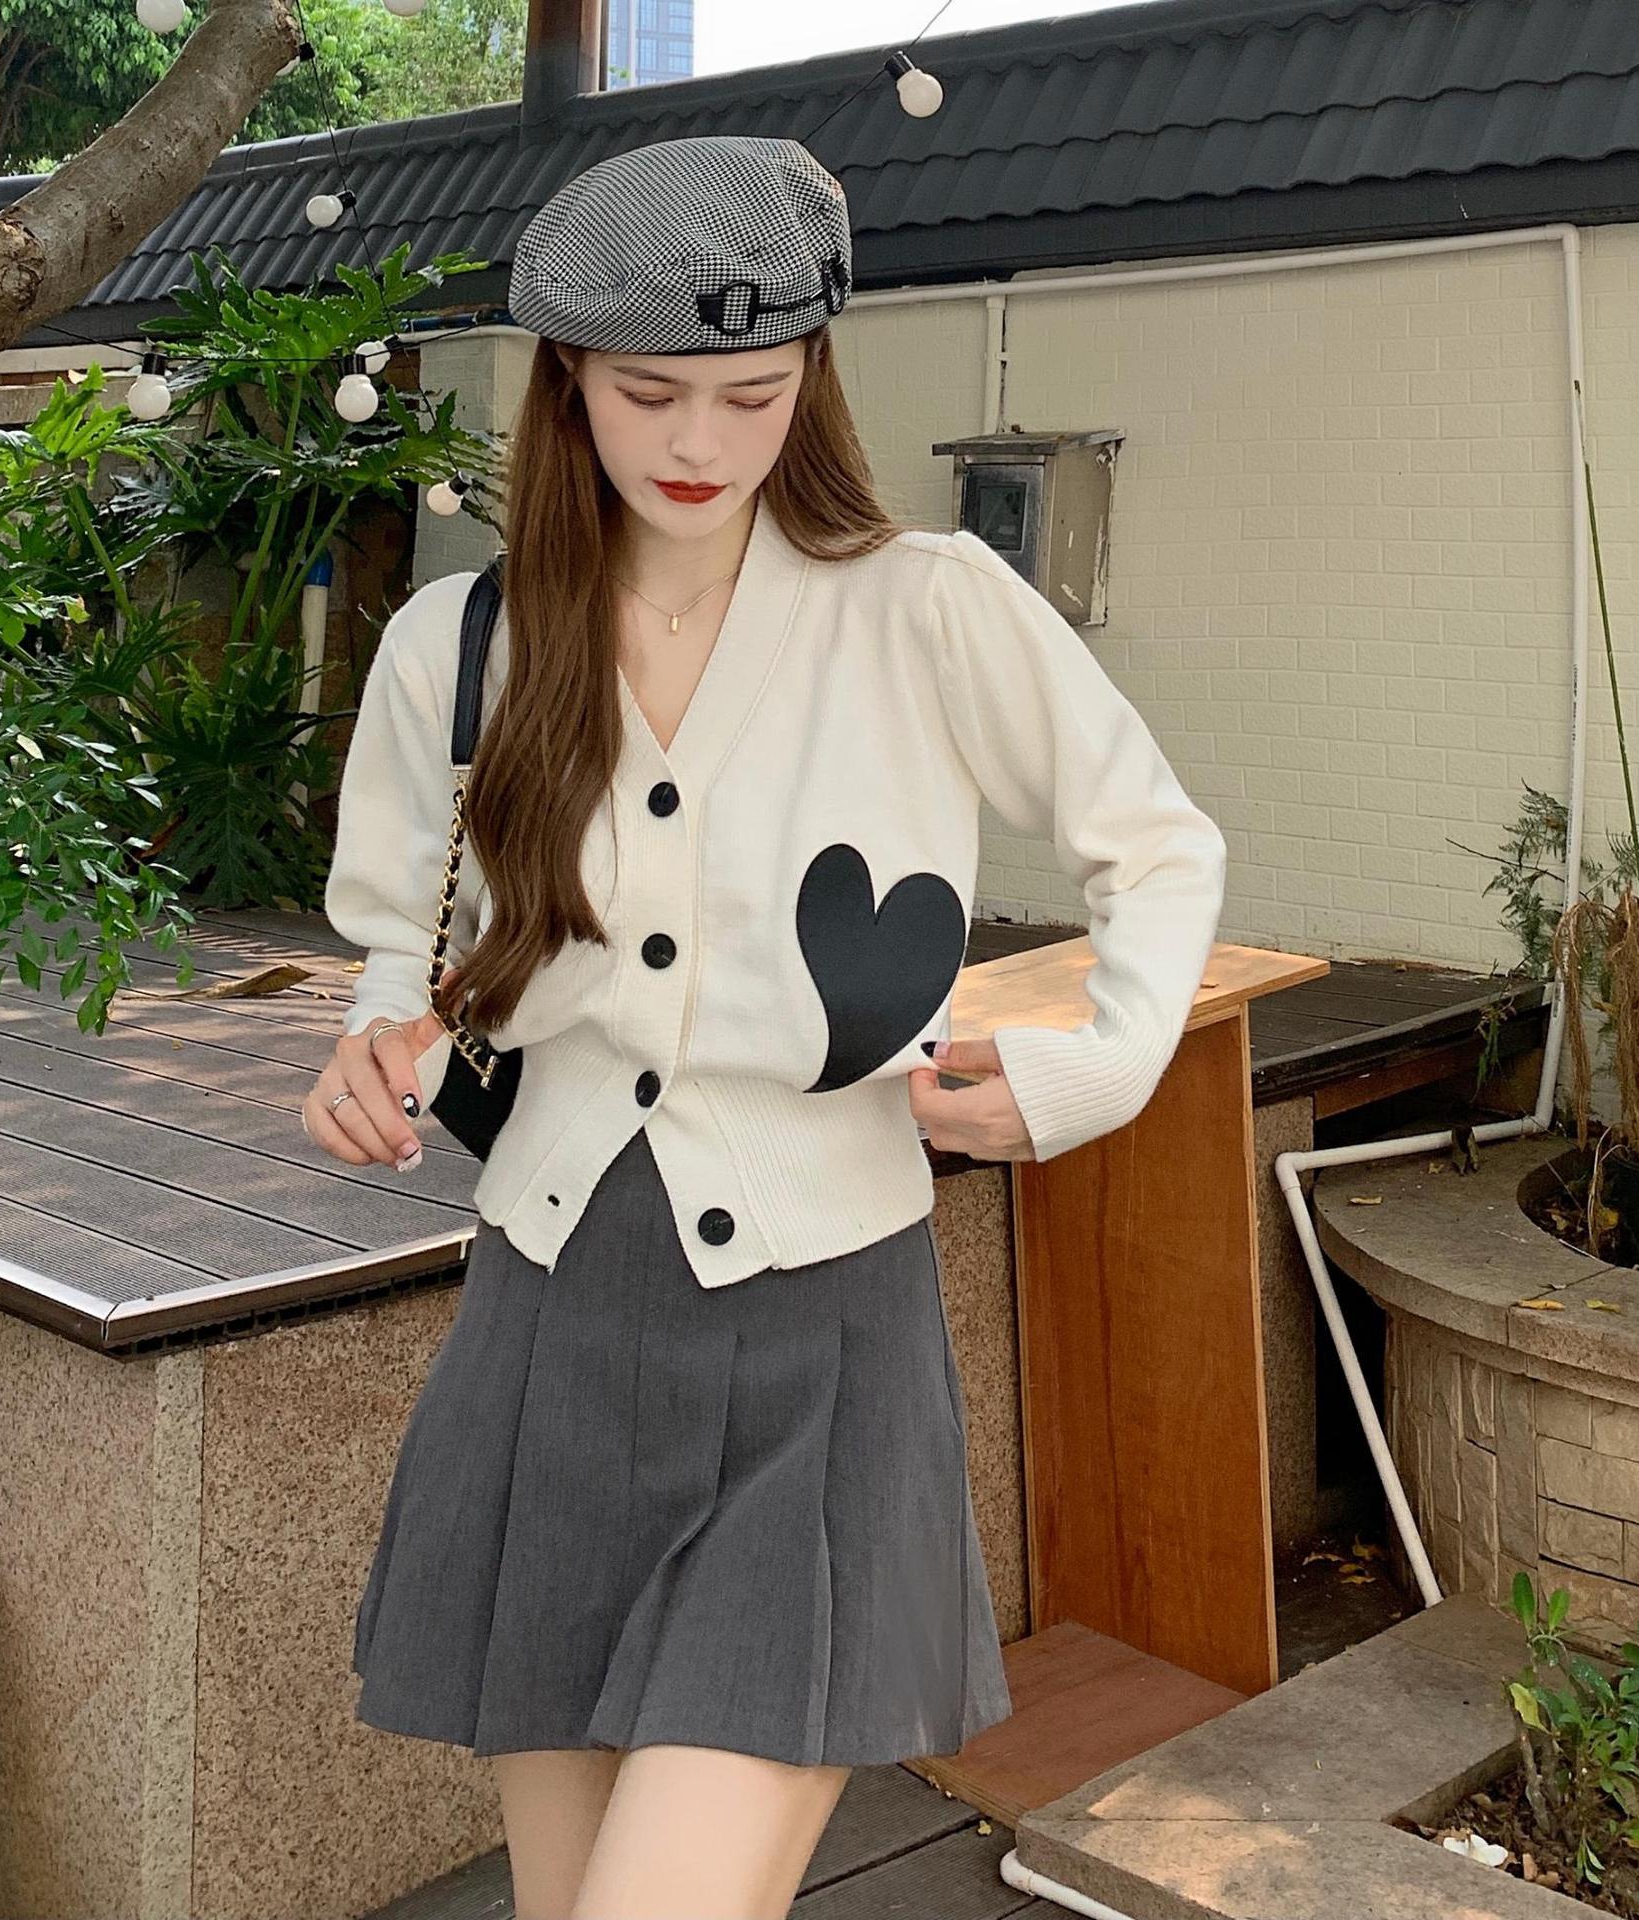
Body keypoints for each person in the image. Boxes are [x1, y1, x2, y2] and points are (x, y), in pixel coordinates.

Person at [305, 135, 1227, 1920]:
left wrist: (1096, 1068)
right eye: (648, 393)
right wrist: (377, 1038)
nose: (700, 443)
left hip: (822, 1335)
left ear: (811, 376)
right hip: (549, 1316)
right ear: (566, 381)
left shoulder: (923, 608)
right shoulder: (458, 644)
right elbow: (397, 941)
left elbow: (1159, 844)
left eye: (753, 393)